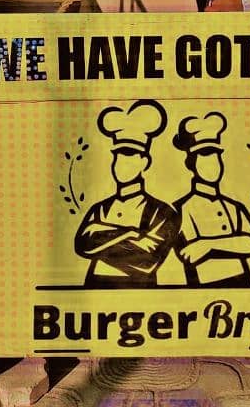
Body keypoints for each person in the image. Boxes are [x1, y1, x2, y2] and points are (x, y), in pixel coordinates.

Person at [75, 99, 180, 288]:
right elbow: (82, 245)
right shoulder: (99, 207)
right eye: (118, 156)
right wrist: (129, 234)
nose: (122, 163)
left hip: (139, 292)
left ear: (144, 162)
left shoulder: (163, 211)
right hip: (95, 286)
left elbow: (148, 261)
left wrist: (100, 239)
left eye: (130, 156)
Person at [173, 111, 250, 287]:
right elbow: (188, 253)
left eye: (216, 157)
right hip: (205, 287)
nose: (212, 164)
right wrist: (232, 243)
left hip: (243, 282)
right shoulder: (181, 208)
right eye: (205, 157)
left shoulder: (234, 206)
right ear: (191, 163)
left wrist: (208, 245)